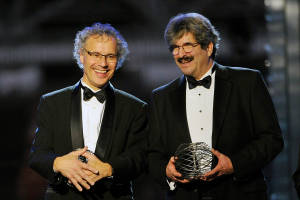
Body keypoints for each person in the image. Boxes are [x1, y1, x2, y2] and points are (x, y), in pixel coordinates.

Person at [147, 13, 284, 200]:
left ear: (208, 47)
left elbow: (272, 139)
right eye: (175, 48)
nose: (181, 55)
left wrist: (233, 164)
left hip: (239, 193)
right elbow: (153, 154)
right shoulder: (161, 96)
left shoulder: (247, 82)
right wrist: (166, 170)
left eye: (188, 46)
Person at [29, 23, 148, 200]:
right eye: (96, 55)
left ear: (118, 59)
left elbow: (140, 157)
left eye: (110, 56)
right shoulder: (51, 102)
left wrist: (108, 169)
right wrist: (58, 163)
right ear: (82, 55)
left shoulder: (135, 107)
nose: (103, 63)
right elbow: (38, 155)